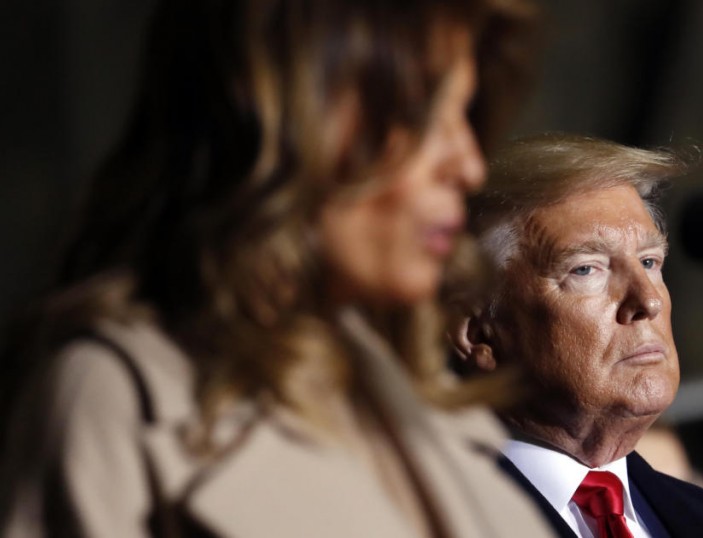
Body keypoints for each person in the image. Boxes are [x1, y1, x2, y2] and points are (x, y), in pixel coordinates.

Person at [0, 1, 556, 536]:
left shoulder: (412, 402)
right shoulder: (106, 397)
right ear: (287, 123)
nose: (468, 165)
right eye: (420, 117)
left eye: (464, 114)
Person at [448, 133, 703, 537]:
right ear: (479, 332)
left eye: (650, 262)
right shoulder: (421, 514)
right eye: (586, 269)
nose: (648, 301)